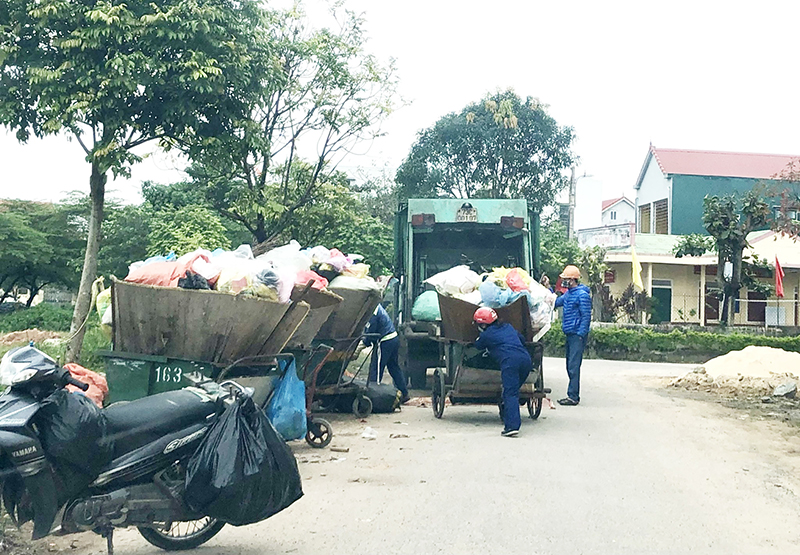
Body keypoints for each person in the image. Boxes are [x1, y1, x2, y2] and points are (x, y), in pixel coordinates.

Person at [473, 307, 532, 437]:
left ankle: (511, 426)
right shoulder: (508, 327)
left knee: (510, 394)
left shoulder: (486, 335)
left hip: (510, 363)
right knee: (513, 390)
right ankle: (508, 410)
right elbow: (521, 339)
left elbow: (477, 346)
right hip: (526, 360)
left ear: (483, 324)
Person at [554, 265, 592, 406]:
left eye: (565, 279)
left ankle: (573, 396)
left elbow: (586, 316)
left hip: (577, 335)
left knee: (573, 366)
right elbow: (556, 302)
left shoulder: (582, 295)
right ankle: (572, 394)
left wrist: (581, 334)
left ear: (572, 280)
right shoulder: (569, 294)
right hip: (570, 333)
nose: (563, 281)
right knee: (569, 365)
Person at [364, 304, 410, 403]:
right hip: (393, 338)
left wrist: (365, 342)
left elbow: (371, 332)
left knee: (376, 368)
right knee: (394, 367)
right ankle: (404, 393)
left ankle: (373, 396)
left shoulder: (374, 312)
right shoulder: (378, 307)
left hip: (385, 341)